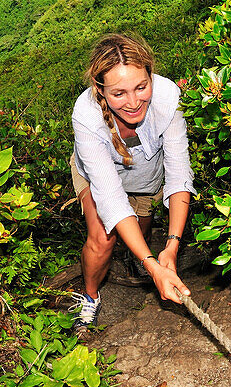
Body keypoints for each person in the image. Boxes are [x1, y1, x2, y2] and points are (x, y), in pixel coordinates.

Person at [69, 33, 195, 330]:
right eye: (119, 93)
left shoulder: (168, 98)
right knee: (102, 238)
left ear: (152, 76)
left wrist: (172, 245)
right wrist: (155, 267)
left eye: (141, 87)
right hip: (96, 173)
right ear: (100, 89)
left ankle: (142, 260)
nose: (133, 102)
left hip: (145, 172)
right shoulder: (86, 115)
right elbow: (111, 199)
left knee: (140, 228)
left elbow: (179, 174)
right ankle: (89, 296)